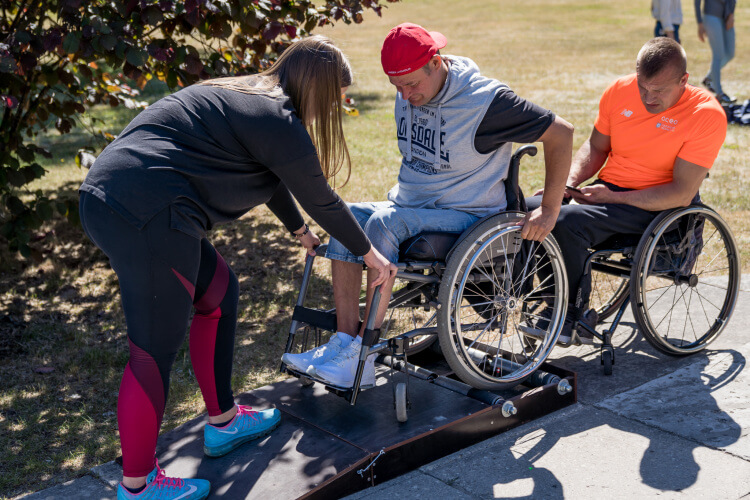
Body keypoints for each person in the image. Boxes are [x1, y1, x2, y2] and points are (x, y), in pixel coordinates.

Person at [79, 36, 395, 500]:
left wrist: (297, 232)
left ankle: (223, 421)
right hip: (147, 210)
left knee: (218, 294)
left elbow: (269, 177)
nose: (333, 106)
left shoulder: (249, 95)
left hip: (122, 198)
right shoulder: (277, 118)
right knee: (151, 351)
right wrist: (370, 254)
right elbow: (320, 197)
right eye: (334, 96)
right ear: (318, 88)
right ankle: (138, 485)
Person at [282, 22, 574, 387]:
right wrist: (409, 88)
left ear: (436, 63)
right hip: (415, 205)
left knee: (385, 223)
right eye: (396, 86)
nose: (404, 96)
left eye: (411, 85)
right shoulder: (409, 88)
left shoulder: (486, 102)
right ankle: (345, 342)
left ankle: (363, 353)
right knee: (348, 216)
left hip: (467, 214)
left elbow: (561, 132)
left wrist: (549, 209)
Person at [524, 37, 727, 345]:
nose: (648, 97)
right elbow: (595, 148)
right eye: (643, 86)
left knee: (565, 223)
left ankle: (569, 314)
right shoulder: (620, 90)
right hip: (609, 195)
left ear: (683, 80)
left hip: (658, 208)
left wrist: (612, 197)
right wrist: (567, 185)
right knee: (527, 206)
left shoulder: (705, 114)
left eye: (659, 90)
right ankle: (538, 297)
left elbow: (680, 194)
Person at [695, 0, 737, 103]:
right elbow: (697, 1)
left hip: (727, 15)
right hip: (711, 16)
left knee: (730, 53)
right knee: (718, 55)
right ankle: (720, 94)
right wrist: (700, 23)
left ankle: (709, 78)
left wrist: (731, 14)